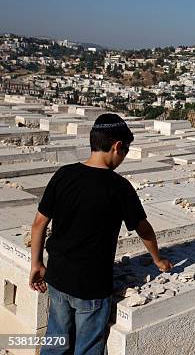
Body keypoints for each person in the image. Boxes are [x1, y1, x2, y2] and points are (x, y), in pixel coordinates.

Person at [29, 113, 172, 355]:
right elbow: (143, 228)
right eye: (126, 150)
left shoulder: (64, 175)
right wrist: (158, 259)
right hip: (92, 287)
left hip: (58, 277)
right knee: (87, 347)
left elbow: (38, 224)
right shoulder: (120, 187)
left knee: (56, 339)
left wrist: (36, 264)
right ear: (117, 146)